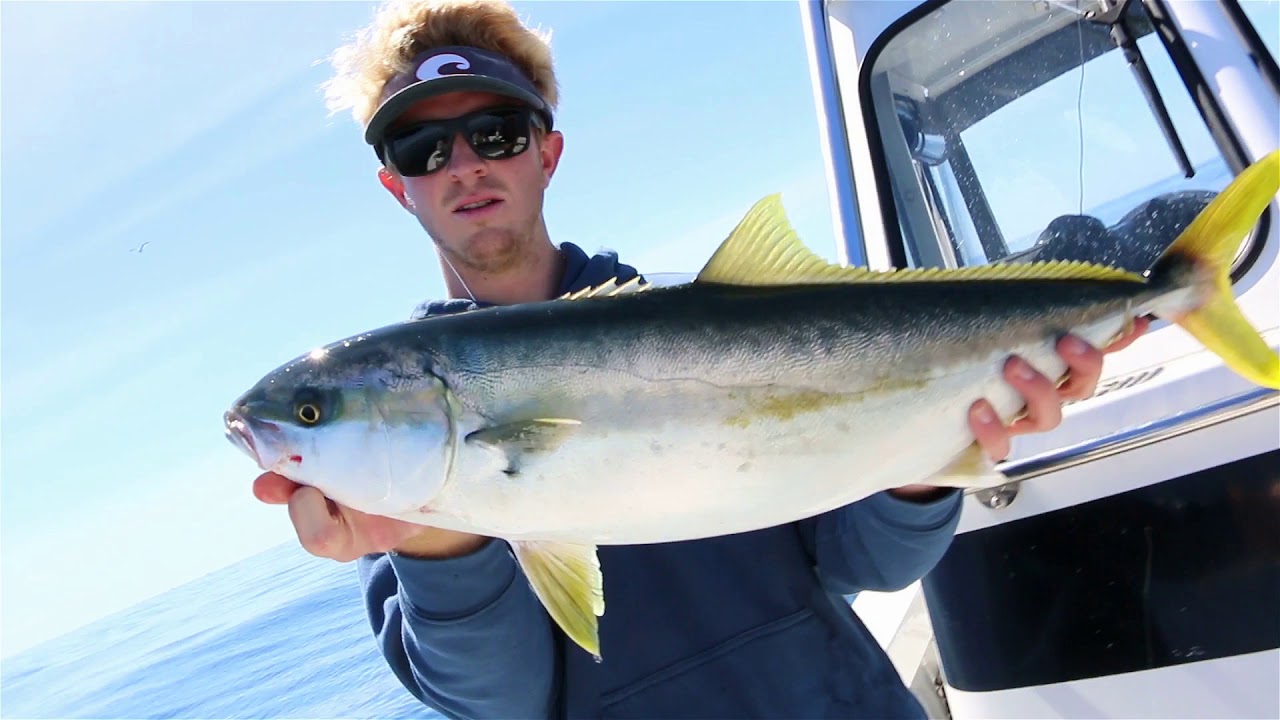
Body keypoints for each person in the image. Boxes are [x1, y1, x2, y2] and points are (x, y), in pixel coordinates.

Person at [252, 0, 1148, 717]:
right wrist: (435, 539)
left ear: (546, 152)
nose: (462, 165)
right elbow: (503, 701)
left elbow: (869, 563)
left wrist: (934, 456)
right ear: (394, 185)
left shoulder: (708, 320)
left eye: (496, 133)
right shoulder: (389, 472)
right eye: (422, 147)